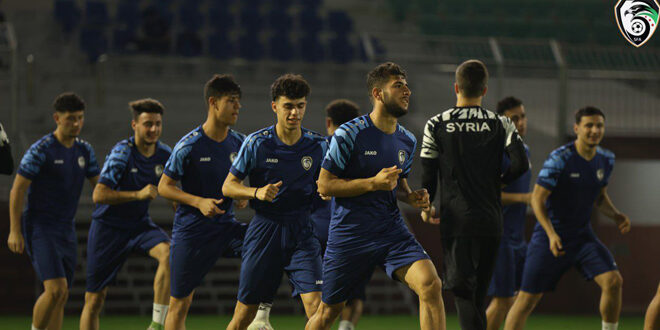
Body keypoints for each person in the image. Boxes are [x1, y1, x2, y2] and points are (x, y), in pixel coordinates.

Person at [307, 62, 446, 330]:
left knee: (430, 284)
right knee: (326, 314)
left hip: (390, 231)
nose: (407, 91)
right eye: (398, 85)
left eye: (406, 85)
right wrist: (372, 183)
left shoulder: (407, 139)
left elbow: (398, 183)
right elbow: (324, 186)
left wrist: (410, 196)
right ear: (378, 94)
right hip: (350, 234)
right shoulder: (349, 134)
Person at [420, 60, 529, 330]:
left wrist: (427, 206)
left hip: (457, 220)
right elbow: (521, 164)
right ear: (484, 90)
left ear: (456, 87)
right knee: (479, 295)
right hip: (491, 220)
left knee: (463, 294)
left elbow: (427, 171)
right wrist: (498, 183)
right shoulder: (501, 123)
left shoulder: (437, 123)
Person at [504, 106, 630, 330]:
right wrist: (551, 234)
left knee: (613, 282)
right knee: (525, 301)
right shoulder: (559, 159)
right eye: (588, 125)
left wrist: (616, 215)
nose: (594, 130)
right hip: (549, 238)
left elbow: (599, 197)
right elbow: (537, 200)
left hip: (583, 237)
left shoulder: (606, 159)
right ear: (577, 128)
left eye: (599, 125)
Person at [223, 73, 327, 330]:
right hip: (265, 229)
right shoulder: (257, 143)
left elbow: (330, 182)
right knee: (243, 315)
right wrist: (256, 192)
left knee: (318, 309)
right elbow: (228, 186)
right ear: (275, 107)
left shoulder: (319, 145)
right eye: (288, 106)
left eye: (300, 105)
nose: (295, 112)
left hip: (302, 231)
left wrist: (328, 190)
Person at [157, 74, 248, 330]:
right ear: (213, 103)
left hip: (226, 227)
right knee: (180, 305)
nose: (237, 107)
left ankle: (259, 317)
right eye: (231, 101)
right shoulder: (189, 145)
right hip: (192, 232)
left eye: (238, 102)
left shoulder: (240, 143)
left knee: (264, 244)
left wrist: (240, 195)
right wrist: (197, 202)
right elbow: (164, 186)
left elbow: (238, 181)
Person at [8, 92, 100, 330]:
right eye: (71, 118)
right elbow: (17, 190)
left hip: (66, 228)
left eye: (80, 118)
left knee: (62, 294)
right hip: (40, 226)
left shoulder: (85, 151)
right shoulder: (41, 150)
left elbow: (100, 189)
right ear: (56, 118)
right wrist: (14, 230)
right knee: (55, 289)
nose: (77, 123)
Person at [80, 99, 172, 330]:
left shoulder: (164, 154)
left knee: (169, 255)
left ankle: (157, 324)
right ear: (135, 125)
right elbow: (99, 195)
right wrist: (137, 195)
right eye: (148, 124)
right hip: (108, 229)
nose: (153, 130)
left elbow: (172, 192)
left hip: (139, 225)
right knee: (94, 299)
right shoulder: (122, 153)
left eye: (158, 124)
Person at [311, 99, 363, 330]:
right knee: (354, 295)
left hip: (315, 233)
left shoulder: (316, 148)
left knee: (316, 300)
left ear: (328, 122)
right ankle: (345, 327)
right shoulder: (361, 151)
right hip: (351, 233)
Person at [485, 96, 532, 330]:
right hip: (498, 236)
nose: (521, 122)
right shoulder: (497, 152)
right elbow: (487, 194)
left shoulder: (524, 151)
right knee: (503, 300)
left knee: (514, 300)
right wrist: (525, 198)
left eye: (522, 116)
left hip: (518, 237)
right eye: (515, 118)